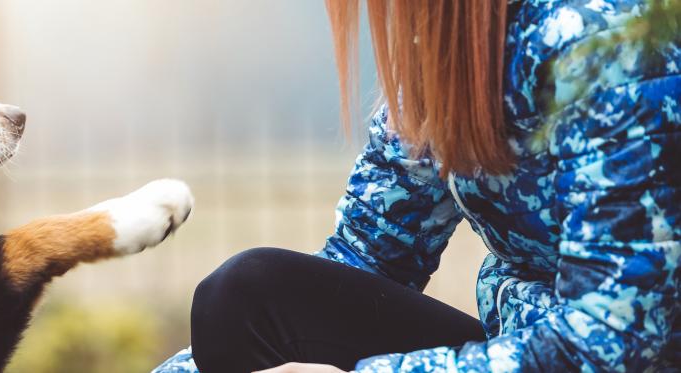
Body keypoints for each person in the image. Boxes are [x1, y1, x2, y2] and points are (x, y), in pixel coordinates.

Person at [152, 0, 680, 372]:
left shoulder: (607, 41)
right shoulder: (452, 50)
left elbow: (612, 341)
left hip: (609, 360)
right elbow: (364, 259)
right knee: (244, 297)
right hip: (521, 346)